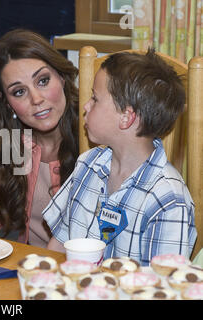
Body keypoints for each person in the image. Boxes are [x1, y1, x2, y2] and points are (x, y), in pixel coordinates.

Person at [44, 49, 196, 265]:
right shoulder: (87, 164)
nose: (86, 106)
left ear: (126, 117)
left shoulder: (167, 200)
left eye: (95, 99)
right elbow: (59, 245)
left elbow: (164, 287)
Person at [0, 29, 79, 248]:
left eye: (43, 81)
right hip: (31, 270)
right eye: (19, 92)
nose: (36, 99)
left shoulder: (94, 137)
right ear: (7, 103)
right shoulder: (13, 145)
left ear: (61, 77)